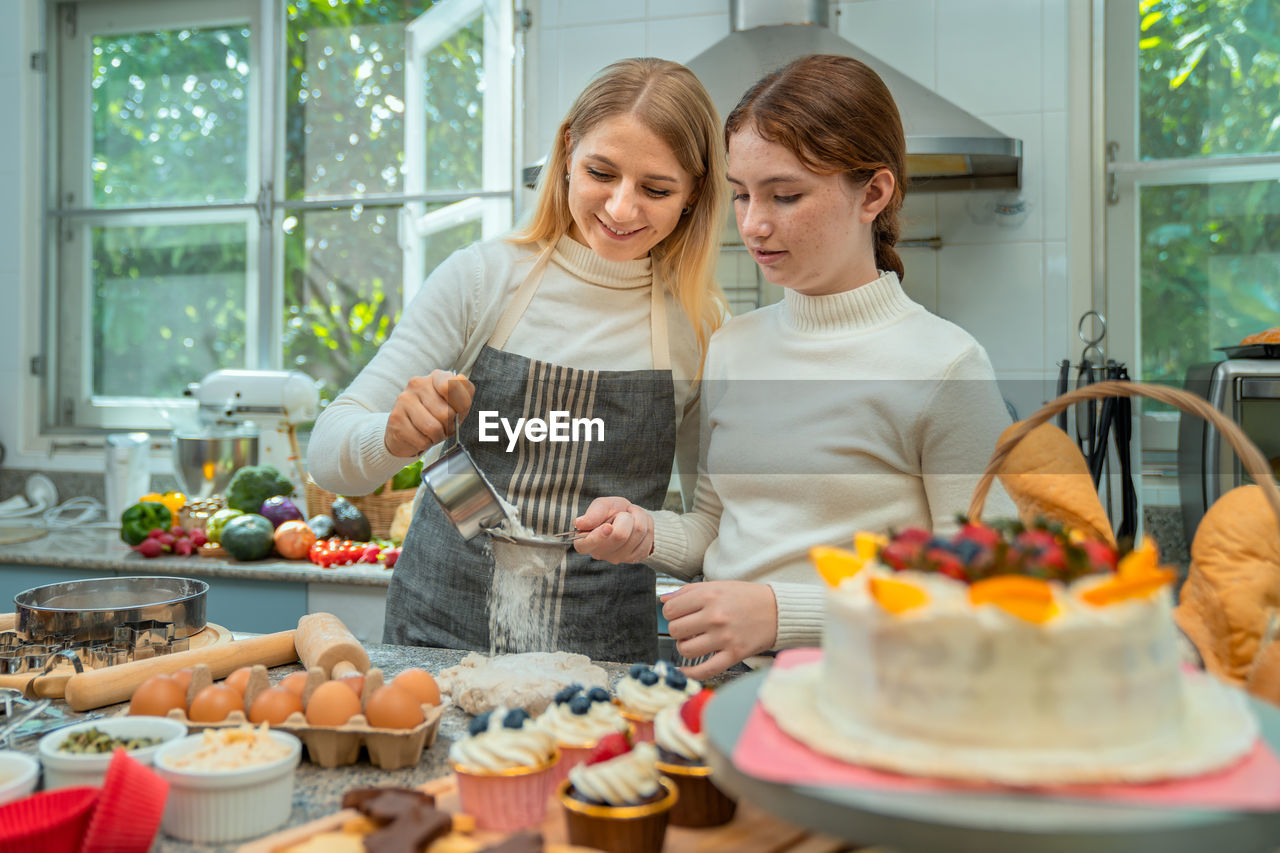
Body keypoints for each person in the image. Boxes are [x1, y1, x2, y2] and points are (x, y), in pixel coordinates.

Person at [574, 54, 1017, 677]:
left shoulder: (945, 366)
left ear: (874, 193)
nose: (754, 224)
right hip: (714, 695)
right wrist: (644, 533)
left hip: (860, 703)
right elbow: (716, 528)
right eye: (741, 195)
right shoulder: (732, 347)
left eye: (785, 195)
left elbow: (990, 590)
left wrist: (786, 615)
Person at [308, 58, 728, 662]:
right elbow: (329, 457)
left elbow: (710, 531)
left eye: (656, 189)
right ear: (566, 153)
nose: (620, 207)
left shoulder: (700, 324)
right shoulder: (482, 280)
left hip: (601, 658)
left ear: (694, 195)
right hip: (440, 642)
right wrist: (392, 437)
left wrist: (647, 535)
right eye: (600, 173)